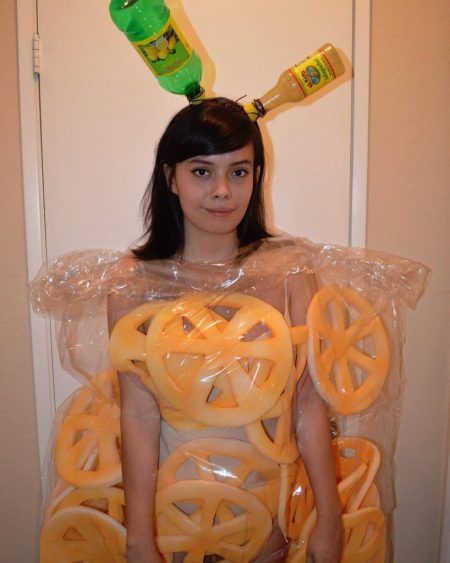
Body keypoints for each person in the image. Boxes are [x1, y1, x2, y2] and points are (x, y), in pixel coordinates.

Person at [108, 97, 343, 562]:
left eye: (239, 172)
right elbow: (137, 415)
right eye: (202, 171)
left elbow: (308, 403)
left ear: (257, 177)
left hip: (269, 516)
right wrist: (139, 539)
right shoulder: (134, 282)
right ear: (170, 177)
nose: (222, 191)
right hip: (178, 520)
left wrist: (330, 519)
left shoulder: (290, 271)